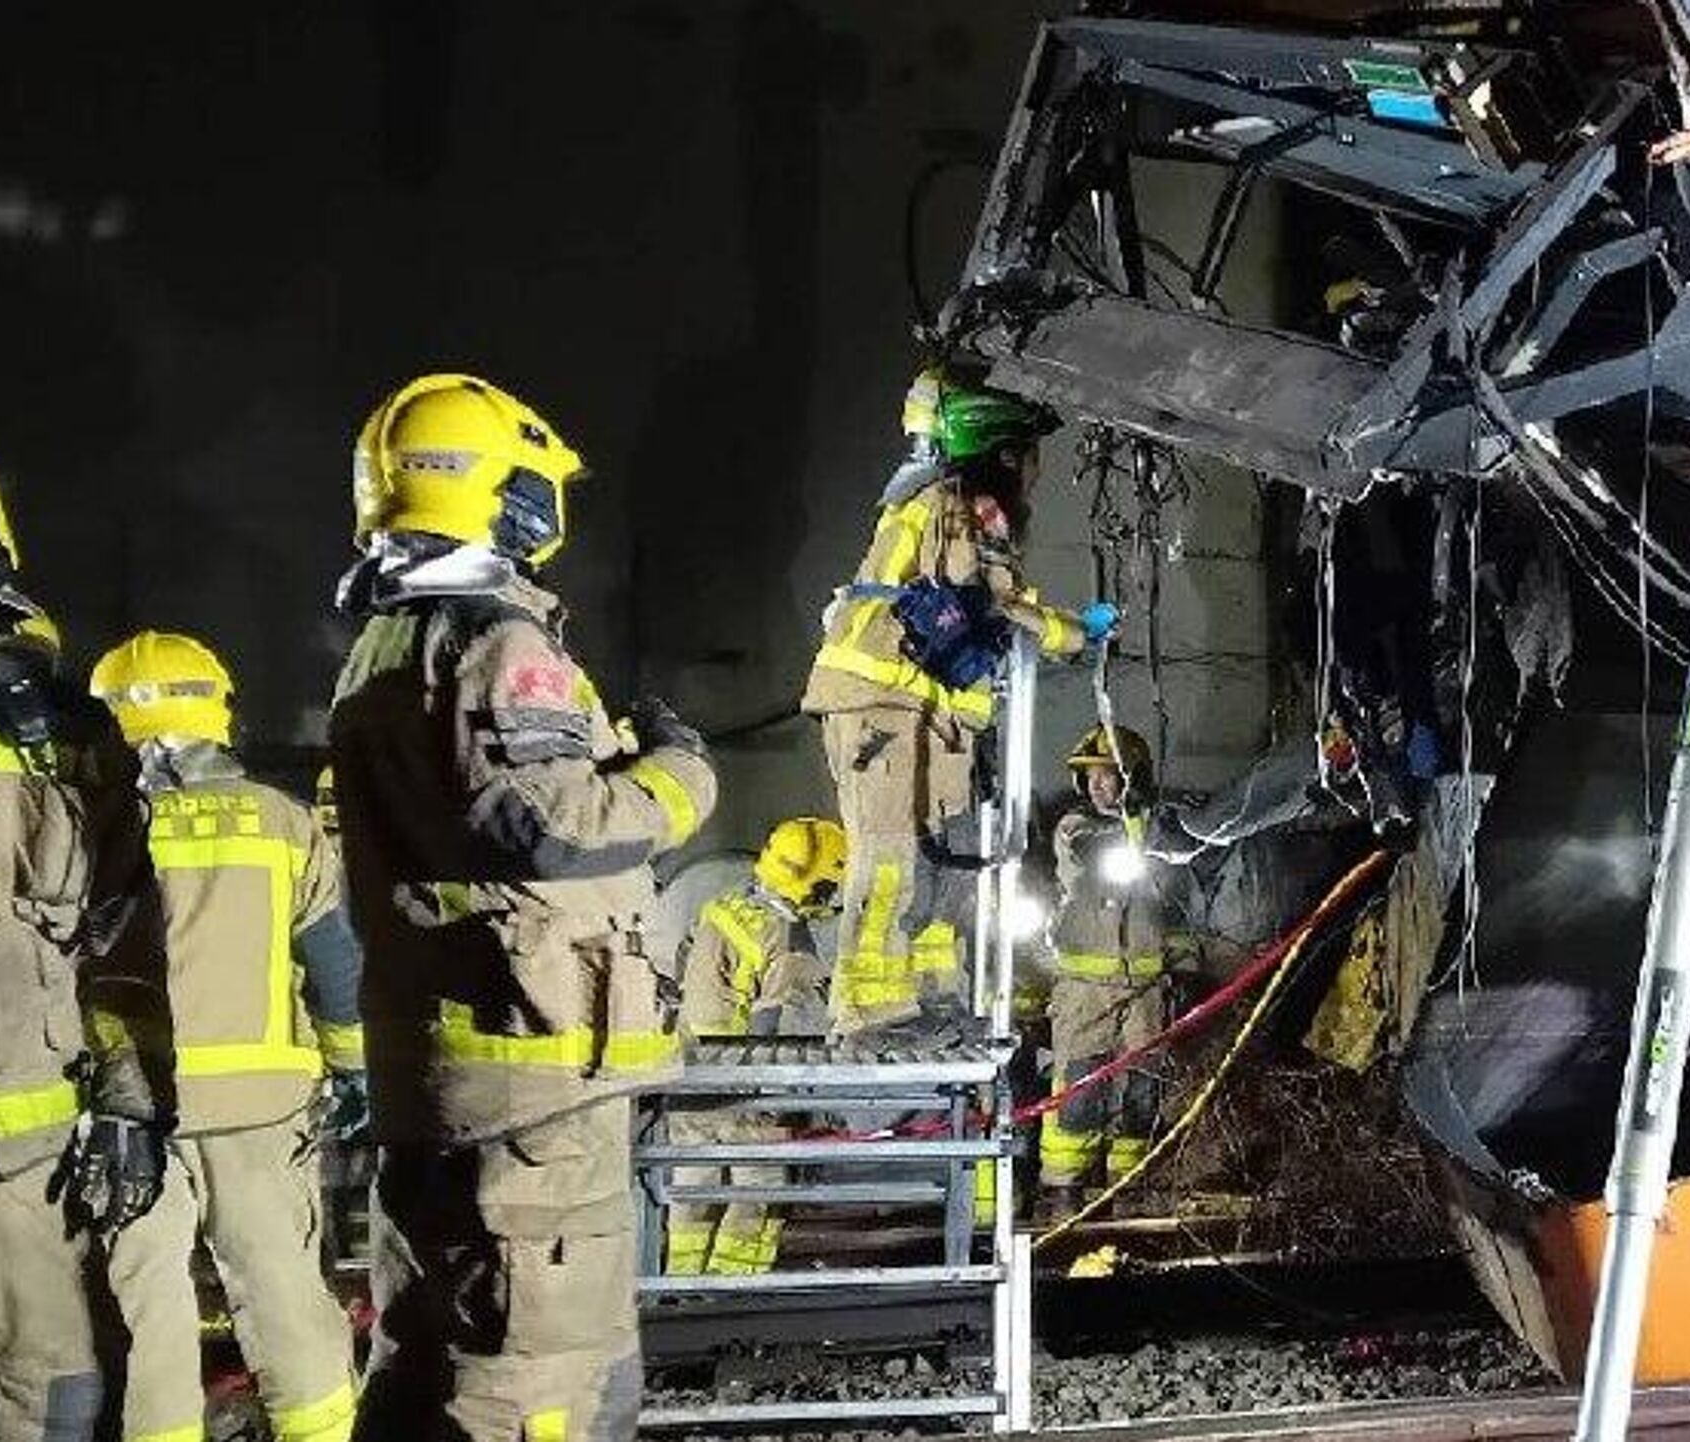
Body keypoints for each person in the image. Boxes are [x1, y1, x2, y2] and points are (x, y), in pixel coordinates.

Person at [331, 373, 717, 1442]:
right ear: (501, 493)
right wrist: (682, 773)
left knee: (430, 1357)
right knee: (542, 1374)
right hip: (533, 1084)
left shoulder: (386, 643)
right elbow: (551, 824)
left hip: (456, 1071)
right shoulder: (498, 644)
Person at [0, 418, 175, 1442]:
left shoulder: (55, 734)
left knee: (61, 1405)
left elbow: (120, 937)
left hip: (29, 1164)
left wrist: (130, 1095)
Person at [87, 629, 365, 1442]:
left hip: (133, 1110)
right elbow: (333, 961)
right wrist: (355, 1070)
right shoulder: (282, 822)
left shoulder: (94, 826)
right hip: (262, 1110)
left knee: (147, 1309)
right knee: (283, 1295)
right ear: (218, 713)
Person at [801, 366, 1114, 1042]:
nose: (1036, 472)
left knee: (938, 860)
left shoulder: (942, 504)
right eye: (1030, 455)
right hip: (886, 707)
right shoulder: (957, 504)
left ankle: (930, 997)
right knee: (890, 858)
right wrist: (1075, 634)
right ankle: (866, 1010)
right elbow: (992, 604)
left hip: (925, 715)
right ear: (1003, 454)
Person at [667, 817, 844, 1276]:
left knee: (693, 1193)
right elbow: (781, 1030)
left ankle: (680, 1287)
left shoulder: (721, 906)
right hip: (745, 1089)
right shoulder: (788, 939)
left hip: (689, 1078)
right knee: (759, 1195)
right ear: (814, 885)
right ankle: (736, 1289)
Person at [1038, 725, 1194, 1212]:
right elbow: (1100, 850)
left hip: (1146, 986)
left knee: (1142, 1085)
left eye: (1109, 775)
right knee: (1080, 1084)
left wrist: (1184, 968)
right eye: (1090, 777)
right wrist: (1141, 825)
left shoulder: (1159, 831)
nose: (1098, 785)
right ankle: (1064, 1188)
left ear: (1134, 777)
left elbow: (1177, 906)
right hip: (1085, 987)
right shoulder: (1074, 826)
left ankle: (1129, 1183)